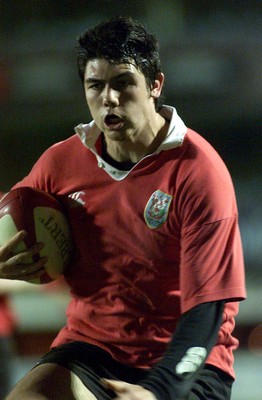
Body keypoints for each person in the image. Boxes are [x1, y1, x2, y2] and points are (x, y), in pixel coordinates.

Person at [0, 16, 246, 400]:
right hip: (93, 347)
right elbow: (9, 218)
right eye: (96, 86)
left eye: (123, 83)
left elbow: (209, 310)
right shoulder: (60, 163)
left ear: (155, 85)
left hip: (185, 361)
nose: (108, 99)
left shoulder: (200, 172)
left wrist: (156, 391)